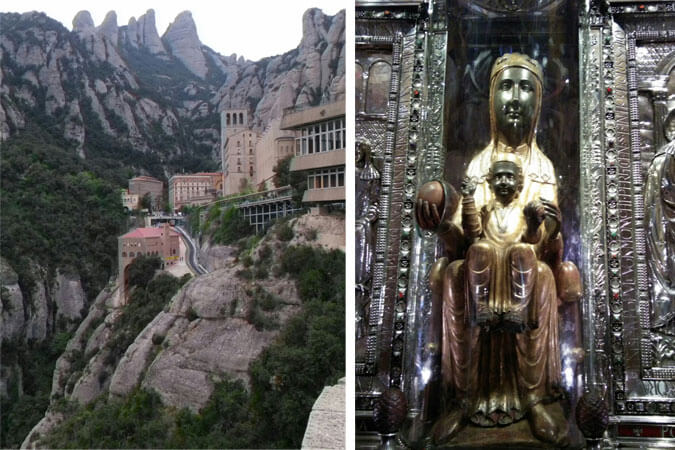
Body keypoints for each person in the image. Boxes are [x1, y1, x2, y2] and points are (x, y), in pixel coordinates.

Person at [416, 53, 580, 446]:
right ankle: (463, 397)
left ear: (539, 102)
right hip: (481, 271)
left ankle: (534, 397)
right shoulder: (476, 166)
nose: (514, 97)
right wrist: (440, 218)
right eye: (505, 86)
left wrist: (542, 224)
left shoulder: (542, 169)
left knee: (538, 274)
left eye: (526, 87)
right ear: (490, 99)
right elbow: (463, 237)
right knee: (451, 271)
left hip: (527, 269)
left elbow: (550, 245)